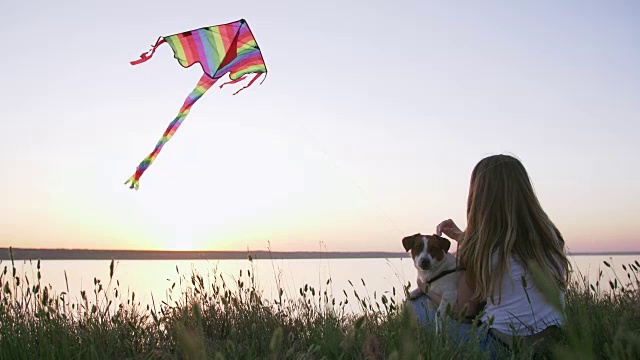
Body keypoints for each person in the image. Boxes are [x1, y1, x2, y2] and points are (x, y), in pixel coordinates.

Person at [406, 154, 570, 357]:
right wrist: (462, 237)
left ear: (479, 196)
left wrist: (425, 287)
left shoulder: (478, 245)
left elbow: (463, 312)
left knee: (415, 305)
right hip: (553, 343)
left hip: (502, 348)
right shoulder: (550, 235)